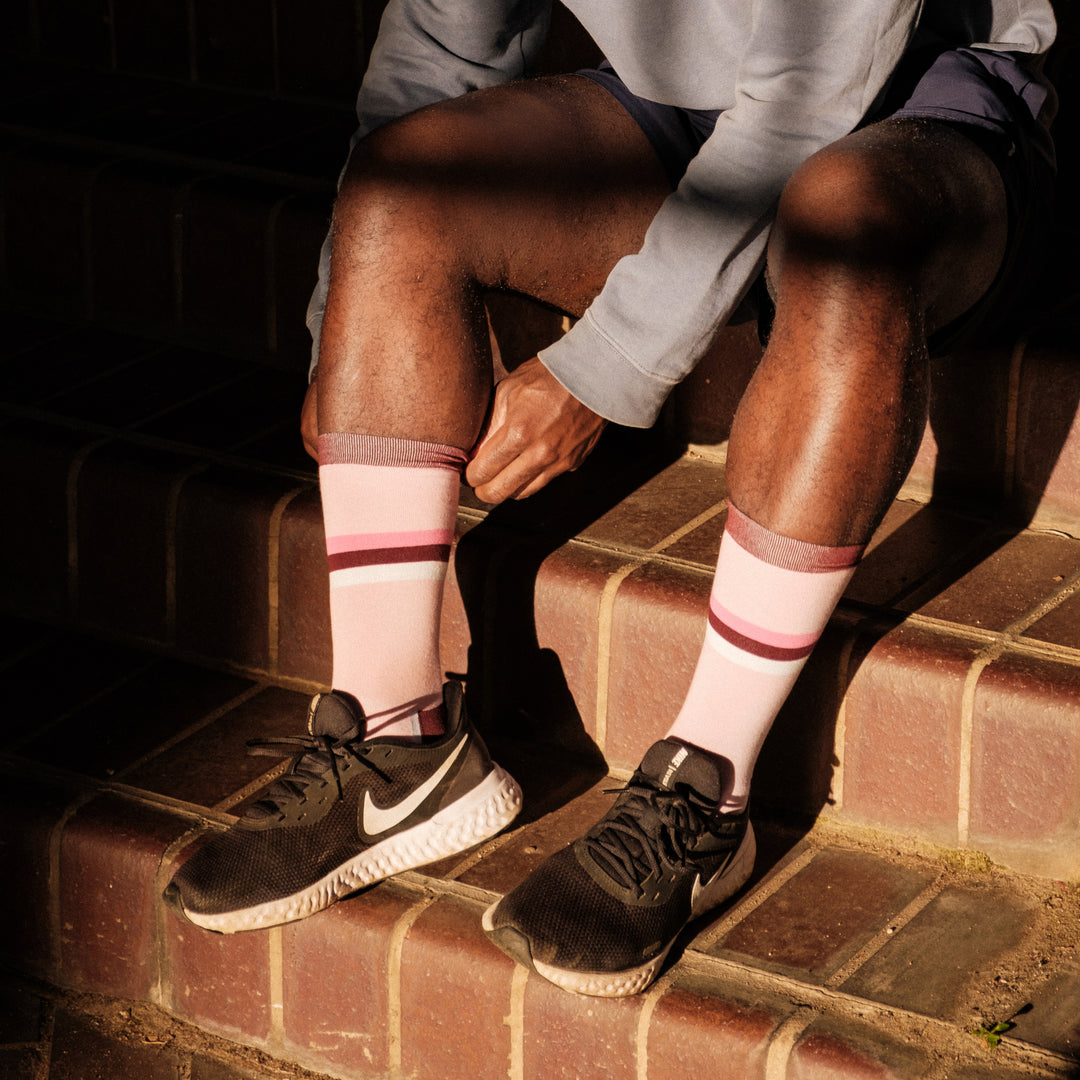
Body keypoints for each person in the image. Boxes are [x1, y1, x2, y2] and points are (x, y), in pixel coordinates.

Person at [164, 0, 1058, 997]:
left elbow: (816, 90)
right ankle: (393, 742)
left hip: (923, 120)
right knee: (405, 187)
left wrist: (603, 369)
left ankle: (706, 796)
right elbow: (439, 44)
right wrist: (350, 311)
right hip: (673, 114)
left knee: (845, 222)